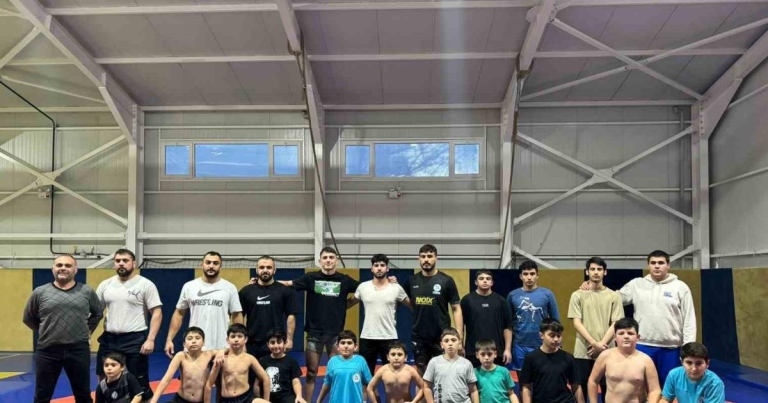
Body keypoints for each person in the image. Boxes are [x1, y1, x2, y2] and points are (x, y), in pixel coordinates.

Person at [583, 250, 695, 387]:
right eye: (653, 263)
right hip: (642, 345)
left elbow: (689, 318)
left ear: (668, 265)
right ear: (648, 265)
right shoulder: (637, 284)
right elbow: (614, 298)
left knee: (669, 388)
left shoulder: (680, 287)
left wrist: (688, 348)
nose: (657, 266)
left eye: (661, 263)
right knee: (639, 387)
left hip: (671, 348)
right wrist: (592, 286)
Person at [279, 247, 360, 402]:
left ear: (336, 260)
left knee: (336, 372)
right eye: (325, 258)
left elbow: (365, 288)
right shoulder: (311, 278)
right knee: (311, 372)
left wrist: (347, 303)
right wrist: (263, 282)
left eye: (331, 257)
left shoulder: (344, 280)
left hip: (336, 335)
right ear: (320, 261)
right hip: (314, 334)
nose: (328, 260)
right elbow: (289, 283)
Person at [23, 254, 104, 403]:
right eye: (59, 265)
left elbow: (98, 313)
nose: (63, 268)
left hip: (78, 350)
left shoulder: (86, 291)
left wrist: (87, 331)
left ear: (75, 270)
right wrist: (46, 330)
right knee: (42, 395)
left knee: (83, 395)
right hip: (48, 350)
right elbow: (28, 317)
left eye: (68, 265)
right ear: (53, 269)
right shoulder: (40, 292)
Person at [96, 248, 163, 401]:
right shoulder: (105, 285)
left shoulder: (145, 284)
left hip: (134, 339)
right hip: (109, 339)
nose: (121, 263)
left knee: (139, 382)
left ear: (133, 263)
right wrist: (86, 334)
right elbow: (96, 313)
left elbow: (157, 312)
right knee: (104, 377)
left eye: (125, 260)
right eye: (118, 261)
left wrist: (151, 339)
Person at [567, 257, 624, 403]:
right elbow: (577, 323)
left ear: (605, 272)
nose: (596, 272)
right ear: (587, 272)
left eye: (599, 269)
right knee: (582, 388)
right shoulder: (577, 295)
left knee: (608, 388)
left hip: (607, 350)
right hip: (583, 351)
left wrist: (601, 345)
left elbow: (616, 323)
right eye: (592, 269)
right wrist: (594, 343)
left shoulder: (614, 296)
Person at [165, 251, 243, 356]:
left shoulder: (230, 288)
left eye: (215, 263)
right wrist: (169, 339)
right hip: (194, 346)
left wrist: (241, 342)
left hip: (222, 348)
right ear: (202, 265)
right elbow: (179, 313)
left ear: (220, 267)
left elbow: (237, 314)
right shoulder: (189, 286)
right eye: (208, 262)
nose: (211, 266)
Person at [407, 244, 463, 376]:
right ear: (419, 259)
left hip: (442, 337)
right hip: (419, 337)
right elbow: (406, 301)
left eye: (429, 256)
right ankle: (422, 392)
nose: (426, 259)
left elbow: (456, 309)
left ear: (436, 258)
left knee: (444, 373)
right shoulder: (411, 281)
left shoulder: (446, 281)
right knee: (421, 374)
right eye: (423, 256)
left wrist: (459, 338)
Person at [350, 253, 410, 375]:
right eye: (376, 265)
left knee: (392, 375)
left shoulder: (396, 288)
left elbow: (413, 305)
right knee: (365, 376)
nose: (379, 268)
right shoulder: (363, 287)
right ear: (371, 269)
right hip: (367, 336)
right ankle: (370, 389)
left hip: (389, 337)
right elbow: (349, 303)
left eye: (382, 265)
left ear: (387, 268)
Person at [587, 318, 661, 403]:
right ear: (615, 337)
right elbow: (592, 381)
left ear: (638, 337)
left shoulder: (646, 360)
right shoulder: (605, 356)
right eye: (621, 333)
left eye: (630, 333)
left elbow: (655, 390)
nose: (626, 336)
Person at [240, 256, 299, 359]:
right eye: (262, 267)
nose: (265, 270)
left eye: (269, 267)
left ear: (274, 270)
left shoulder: (285, 291)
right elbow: (239, 316)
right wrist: (242, 342)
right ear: (256, 270)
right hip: (252, 344)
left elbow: (291, 316)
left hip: (276, 343)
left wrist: (289, 340)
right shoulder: (246, 291)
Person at [507, 261, 560, 373]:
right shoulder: (512, 295)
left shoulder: (547, 294)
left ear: (537, 275)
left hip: (542, 343)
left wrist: (558, 343)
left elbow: (555, 321)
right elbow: (508, 324)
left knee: (542, 377)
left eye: (532, 274)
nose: (529, 277)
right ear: (520, 276)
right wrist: (507, 348)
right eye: (525, 274)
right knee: (522, 378)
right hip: (520, 344)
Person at [151, 327, 221, 403]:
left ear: (203, 342)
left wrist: (222, 352)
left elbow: (227, 350)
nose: (194, 341)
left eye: (197, 338)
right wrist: (153, 401)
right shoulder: (181, 356)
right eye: (190, 338)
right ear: (184, 344)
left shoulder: (208, 354)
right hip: (180, 400)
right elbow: (166, 379)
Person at [206, 324, 271, 403]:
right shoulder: (221, 359)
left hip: (246, 398)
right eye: (233, 336)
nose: (236, 339)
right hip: (227, 400)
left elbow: (265, 378)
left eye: (240, 336)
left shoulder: (250, 358)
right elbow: (209, 384)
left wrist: (266, 400)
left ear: (245, 339)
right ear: (227, 340)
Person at [461, 270, 513, 367]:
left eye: (488, 279)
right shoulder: (467, 300)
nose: (485, 281)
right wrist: (461, 346)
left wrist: (507, 349)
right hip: (473, 351)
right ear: (476, 282)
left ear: (492, 282)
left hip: (496, 351)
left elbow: (508, 327)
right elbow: (461, 326)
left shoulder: (501, 301)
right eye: (481, 279)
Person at [519, 318, 575, 403]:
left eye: (559, 335)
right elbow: (526, 386)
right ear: (541, 335)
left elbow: (575, 385)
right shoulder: (531, 358)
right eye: (552, 335)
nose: (556, 339)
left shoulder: (568, 357)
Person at [423, 327, 479, 403]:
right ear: (441, 345)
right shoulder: (434, 362)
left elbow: (473, 391)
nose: (450, 343)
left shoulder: (467, 364)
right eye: (446, 341)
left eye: (453, 340)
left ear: (459, 343)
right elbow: (426, 387)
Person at [316, 330, 375, 403]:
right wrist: (318, 401)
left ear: (355, 346)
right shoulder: (332, 361)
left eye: (349, 343)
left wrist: (367, 401)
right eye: (343, 343)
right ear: (337, 346)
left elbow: (369, 384)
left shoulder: (360, 361)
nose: (346, 346)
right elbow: (327, 384)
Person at [660, 342, 725, 403]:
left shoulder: (715, 384)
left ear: (707, 363)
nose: (694, 369)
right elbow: (665, 399)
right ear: (681, 362)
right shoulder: (673, 375)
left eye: (698, 363)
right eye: (689, 363)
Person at [258, 329, 306, 403]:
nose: (276, 346)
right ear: (268, 344)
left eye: (279, 342)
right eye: (272, 343)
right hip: (268, 397)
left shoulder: (291, 361)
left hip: (286, 397)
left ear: (285, 343)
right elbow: (257, 384)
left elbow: (296, 382)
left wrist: (299, 396)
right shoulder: (262, 361)